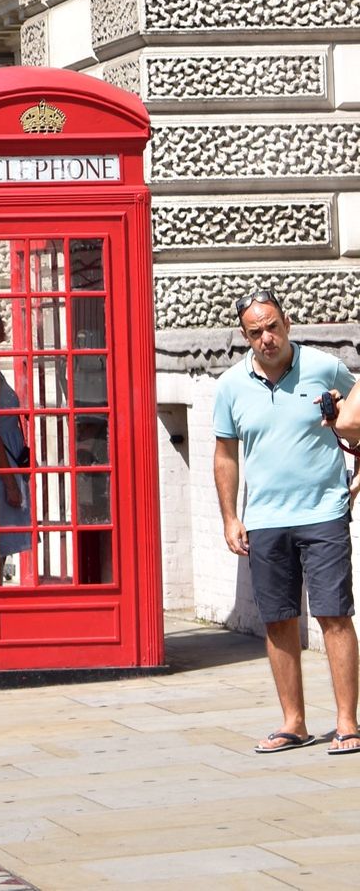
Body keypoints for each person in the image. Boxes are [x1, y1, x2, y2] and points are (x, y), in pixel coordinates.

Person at [213, 291, 359, 754]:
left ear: (287, 321)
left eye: (272, 326)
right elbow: (225, 456)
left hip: (323, 512)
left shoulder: (325, 367)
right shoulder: (231, 385)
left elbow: (356, 417)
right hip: (265, 520)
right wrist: (230, 516)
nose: (267, 338)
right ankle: (293, 723)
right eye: (256, 332)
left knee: (334, 615)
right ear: (245, 336)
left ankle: (347, 723)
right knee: (278, 621)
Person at [0, 307, 31, 584]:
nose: (3, 326)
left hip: (9, 464)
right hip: (0, 472)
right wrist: (9, 483)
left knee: (1, 550)